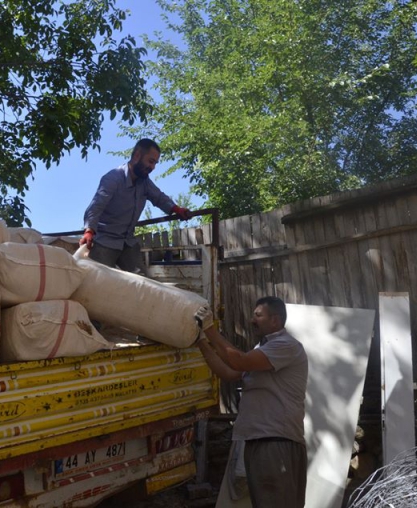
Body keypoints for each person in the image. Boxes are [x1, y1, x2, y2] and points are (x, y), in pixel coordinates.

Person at [194, 297, 308, 508]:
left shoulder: (285, 346)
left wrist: (209, 329)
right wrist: (201, 341)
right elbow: (229, 372)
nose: (252, 320)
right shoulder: (262, 347)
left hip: (275, 442)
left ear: (274, 320)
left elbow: (239, 360)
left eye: (258, 315)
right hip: (262, 440)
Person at [79, 138, 192, 273]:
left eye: (155, 163)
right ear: (137, 156)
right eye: (150, 162)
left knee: (143, 283)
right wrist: (89, 231)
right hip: (105, 241)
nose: (152, 167)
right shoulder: (113, 178)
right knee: (100, 281)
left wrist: (176, 209)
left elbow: (159, 197)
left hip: (128, 243)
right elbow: (96, 206)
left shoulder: (144, 182)